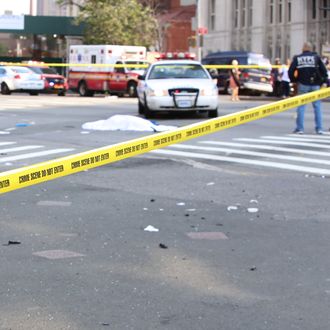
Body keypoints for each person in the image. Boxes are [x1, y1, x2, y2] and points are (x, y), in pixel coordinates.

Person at [288, 42, 328, 135]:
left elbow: (290, 71)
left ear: (303, 48)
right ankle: (319, 128)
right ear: (311, 49)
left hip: (302, 84)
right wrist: (320, 82)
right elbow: (324, 71)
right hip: (315, 85)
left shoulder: (298, 58)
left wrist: (295, 80)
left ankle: (300, 128)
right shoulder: (316, 57)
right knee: (317, 107)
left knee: (301, 107)